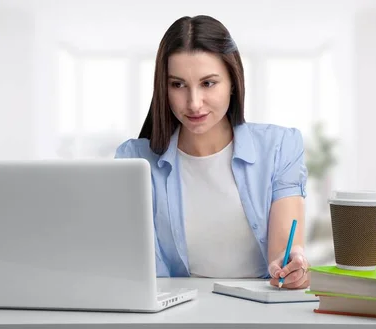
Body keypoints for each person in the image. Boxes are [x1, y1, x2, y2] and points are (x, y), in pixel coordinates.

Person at [115, 15, 310, 289]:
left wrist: (292, 265)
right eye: (178, 84)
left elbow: (283, 252)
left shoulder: (279, 147)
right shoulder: (134, 160)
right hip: (174, 312)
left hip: (261, 309)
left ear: (233, 82)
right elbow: (131, 264)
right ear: (164, 87)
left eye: (208, 83)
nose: (194, 103)